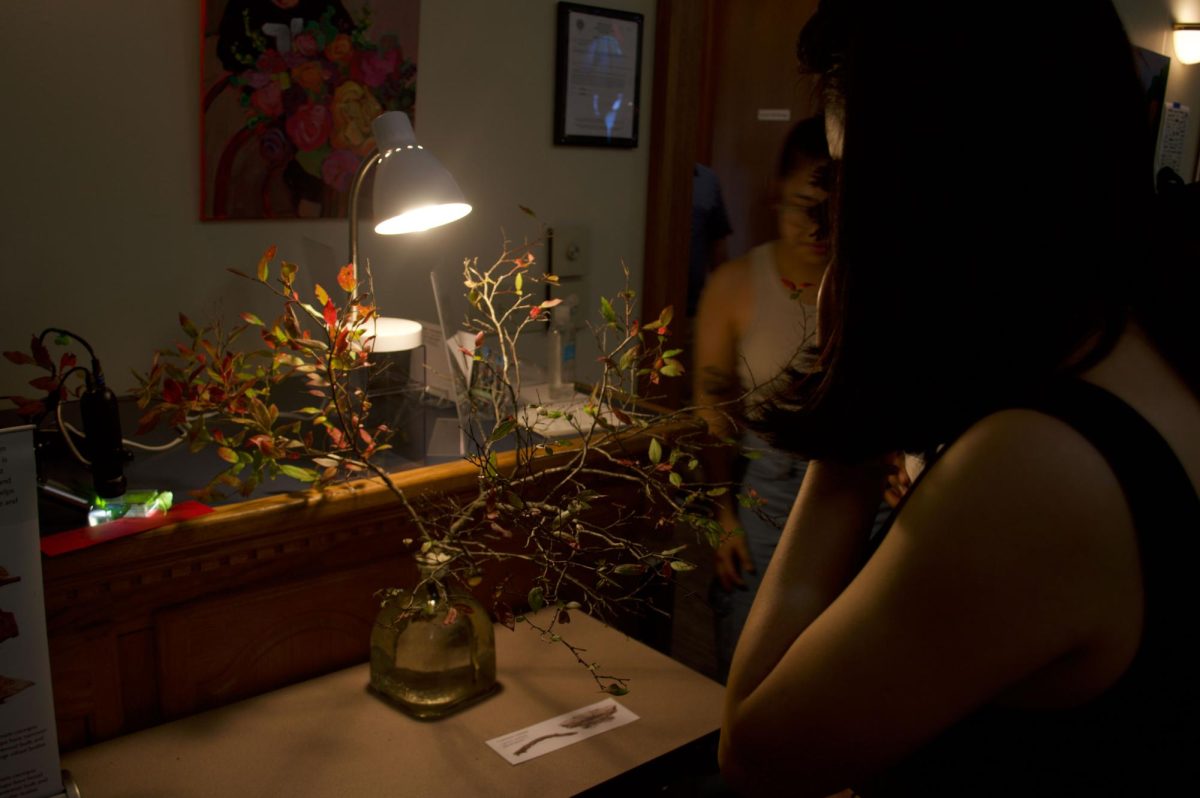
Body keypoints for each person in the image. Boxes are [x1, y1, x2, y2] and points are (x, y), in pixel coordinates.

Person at [718, 1, 1198, 796]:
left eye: (851, 188)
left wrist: (852, 402)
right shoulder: (1146, 340)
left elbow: (760, 752)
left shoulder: (1038, 469)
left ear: (930, 199)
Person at [693, 116, 834, 682]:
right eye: (805, 205)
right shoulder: (736, 285)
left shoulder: (869, 286)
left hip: (858, 481)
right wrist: (723, 515)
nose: (817, 227)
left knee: (836, 667)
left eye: (834, 210)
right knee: (753, 662)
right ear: (777, 192)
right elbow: (712, 409)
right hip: (769, 487)